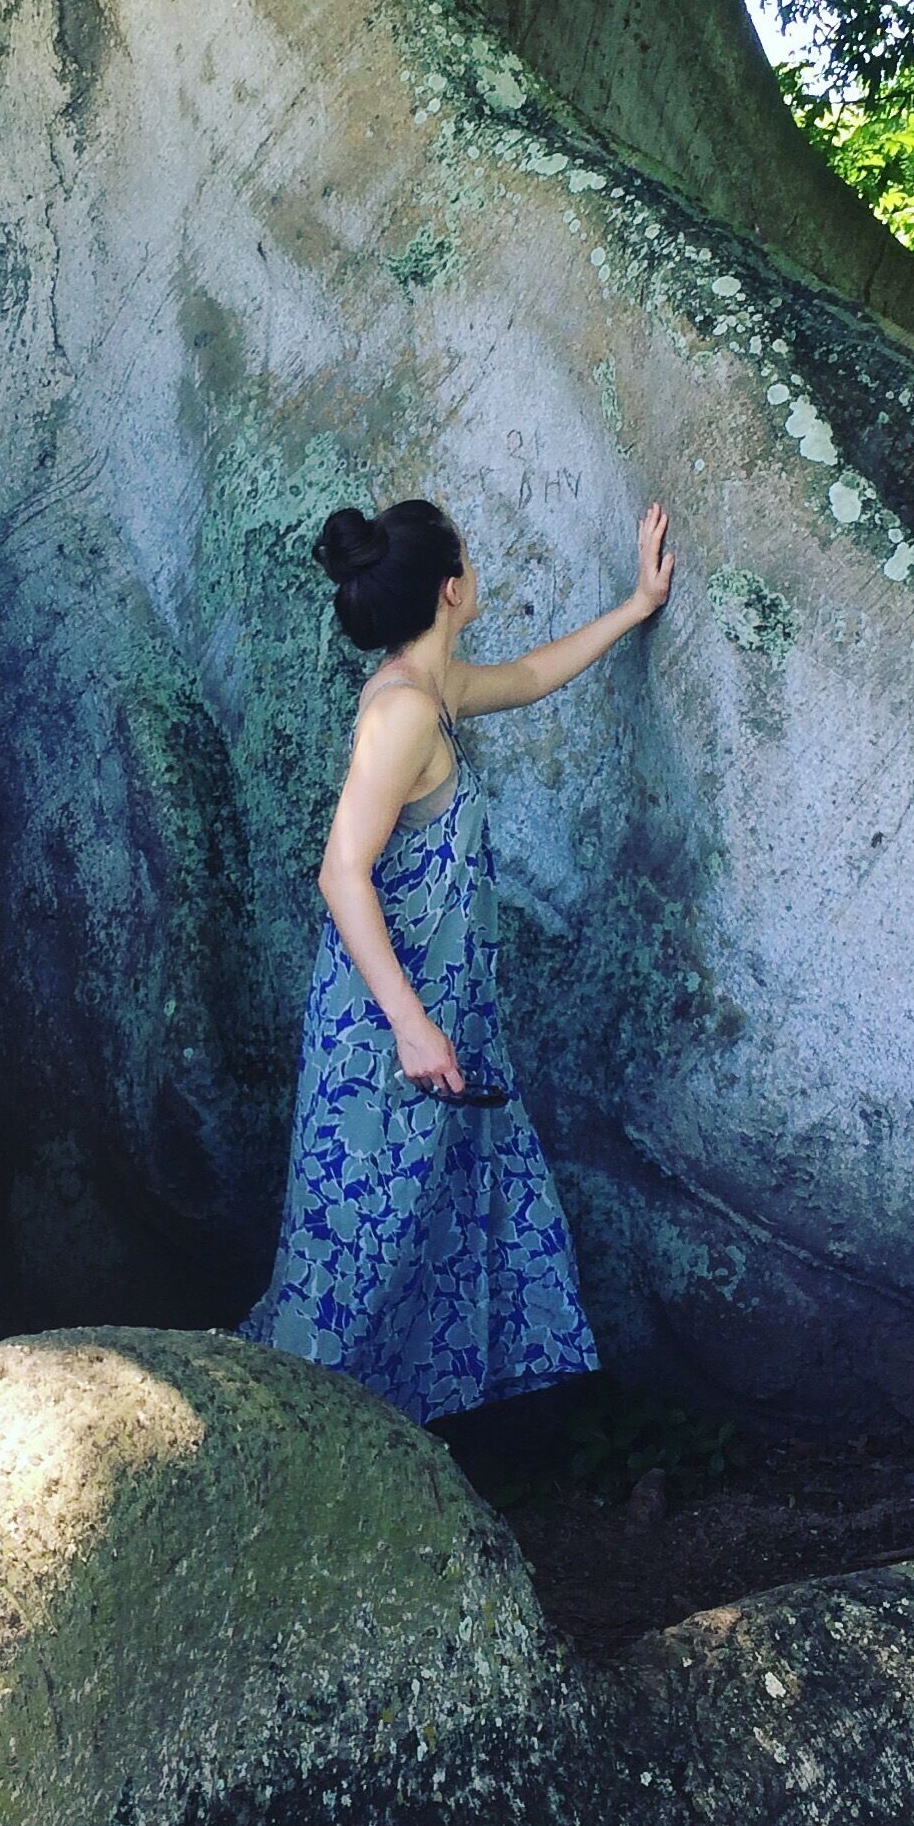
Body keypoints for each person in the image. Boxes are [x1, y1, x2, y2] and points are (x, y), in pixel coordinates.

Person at [243, 493, 674, 1440]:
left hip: (431, 1031)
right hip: (385, 1041)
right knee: (355, 1255)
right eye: (470, 560)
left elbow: (524, 675)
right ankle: (280, 1458)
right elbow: (339, 870)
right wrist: (409, 1023)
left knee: (418, 1234)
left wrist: (636, 608)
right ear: (452, 588)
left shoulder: (428, 690)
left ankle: (385, 1455)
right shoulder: (400, 713)